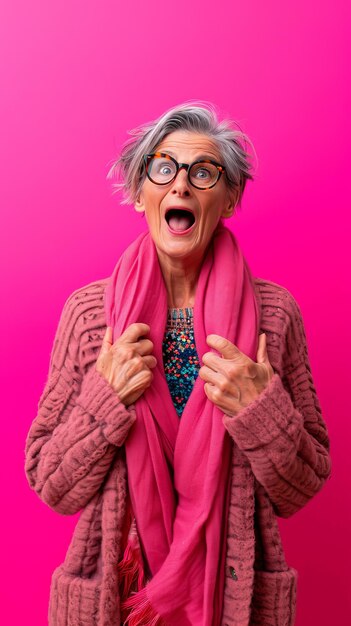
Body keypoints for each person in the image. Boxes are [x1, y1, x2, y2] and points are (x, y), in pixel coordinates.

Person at [24, 102, 331, 626]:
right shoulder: (89, 314)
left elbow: (301, 485)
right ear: (140, 193)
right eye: (163, 168)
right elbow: (51, 482)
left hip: (231, 598)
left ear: (230, 197)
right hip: (116, 602)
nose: (181, 186)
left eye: (203, 172)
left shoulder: (274, 316)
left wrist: (260, 409)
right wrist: (106, 397)